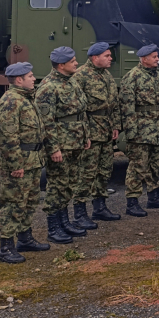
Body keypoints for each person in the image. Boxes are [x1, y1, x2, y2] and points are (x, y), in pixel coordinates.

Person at [0, 62, 50, 263]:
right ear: (19, 80)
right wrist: (16, 165)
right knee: (13, 203)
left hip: (32, 160)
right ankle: (6, 247)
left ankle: (25, 238)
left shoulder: (26, 99)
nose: (34, 79)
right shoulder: (10, 102)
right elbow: (8, 138)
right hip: (19, 162)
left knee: (30, 201)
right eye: (30, 76)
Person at [35, 47, 91, 243]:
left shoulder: (72, 81)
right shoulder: (48, 87)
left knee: (69, 183)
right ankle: (53, 227)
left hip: (75, 141)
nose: (77, 63)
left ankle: (64, 222)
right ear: (61, 65)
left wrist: (85, 136)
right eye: (72, 61)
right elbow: (46, 122)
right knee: (57, 185)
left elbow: (81, 112)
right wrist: (53, 148)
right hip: (61, 144)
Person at [119, 44, 159, 217]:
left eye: (157, 56)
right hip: (141, 131)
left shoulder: (157, 76)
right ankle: (132, 203)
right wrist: (131, 132)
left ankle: (154, 198)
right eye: (154, 57)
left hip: (158, 129)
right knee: (137, 166)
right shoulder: (132, 77)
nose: (157, 59)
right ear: (144, 59)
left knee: (155, 165)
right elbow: (127, 107)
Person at [71, 42, 122, 222]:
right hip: (91, 132)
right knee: (86, 172)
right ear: (95, 58)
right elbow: (77, 110)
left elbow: (114, 104)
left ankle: (100, 207)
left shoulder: (107, 75)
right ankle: (80, 212)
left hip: (106, 130)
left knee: (104, 170)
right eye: (107, 56)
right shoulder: (80, 76)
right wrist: (84, 134)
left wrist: (115, 125)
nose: (110, 59)